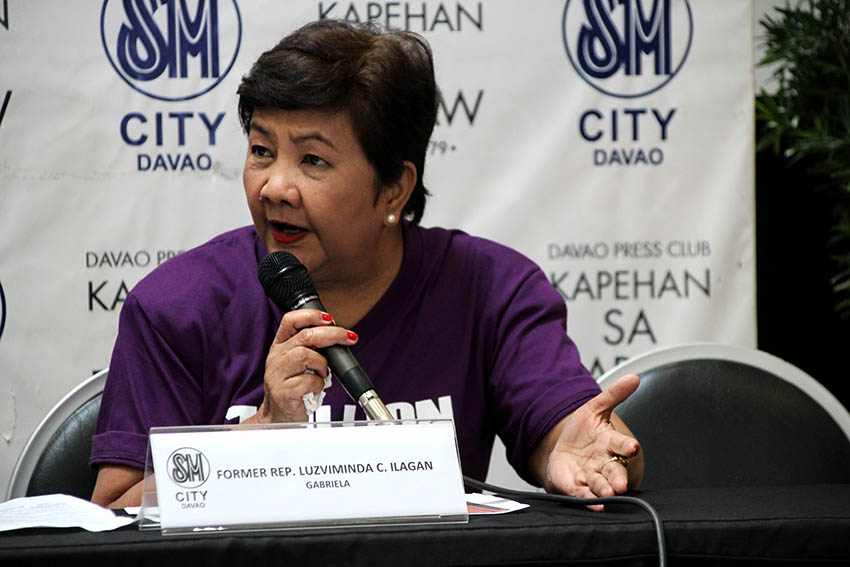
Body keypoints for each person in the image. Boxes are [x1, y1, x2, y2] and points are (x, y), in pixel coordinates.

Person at [90, 19, 643, 509]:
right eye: (261, 150)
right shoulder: (176, 306)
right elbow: (115, 509)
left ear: (394, 189)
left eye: (312, 159)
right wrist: (263, 432)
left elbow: (576, 435)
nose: (274, 186)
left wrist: (592, 453)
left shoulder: (490, 289)